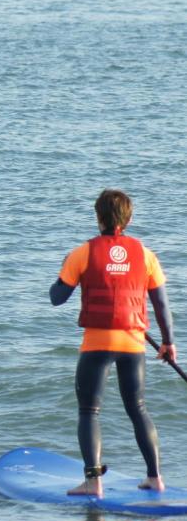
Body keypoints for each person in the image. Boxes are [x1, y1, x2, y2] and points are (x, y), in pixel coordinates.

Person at [49, 189, 175, 497]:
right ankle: (155, 478)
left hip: (97, 344)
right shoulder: (145, 254)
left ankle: (93, 482)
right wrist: (168, 342)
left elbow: (57, 298)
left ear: (98, 217)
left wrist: (64, 269)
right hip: (133, 344)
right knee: (138, 408)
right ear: (128, 220)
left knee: (89, 411)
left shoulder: (82, 253)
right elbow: (161, 304)